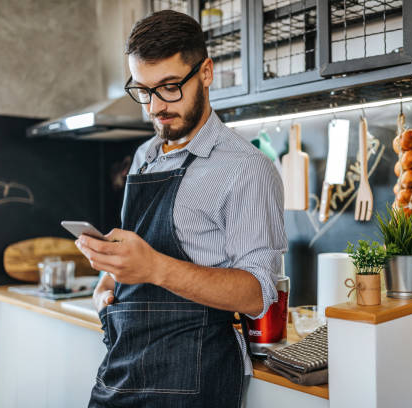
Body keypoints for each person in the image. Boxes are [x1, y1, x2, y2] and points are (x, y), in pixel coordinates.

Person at [75, 9, 287, 408]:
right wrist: (109, 284)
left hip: (193, 383)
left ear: (205, 72)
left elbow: (259, 294)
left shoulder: (247, 168)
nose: (155, 107)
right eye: (143, 90)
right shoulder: (145, 155)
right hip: (120, 371)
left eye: (170, 87)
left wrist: (154, 267)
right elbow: (135, 258)